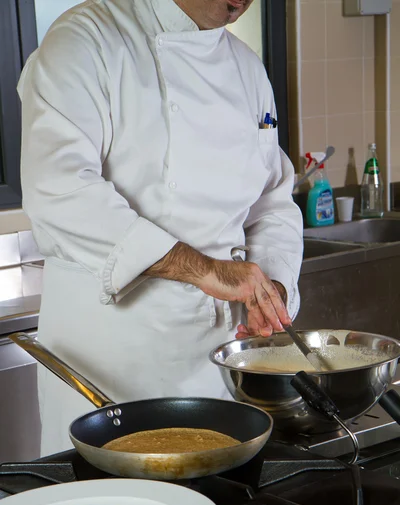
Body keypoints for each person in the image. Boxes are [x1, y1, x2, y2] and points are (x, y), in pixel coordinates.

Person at [17, 0, 303, 457]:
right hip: (116, 363)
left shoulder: (246, 67)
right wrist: (205, 270)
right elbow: (59, 190)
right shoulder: (86, 39)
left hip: (221, 362)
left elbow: (271, 201)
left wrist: (273, 287)